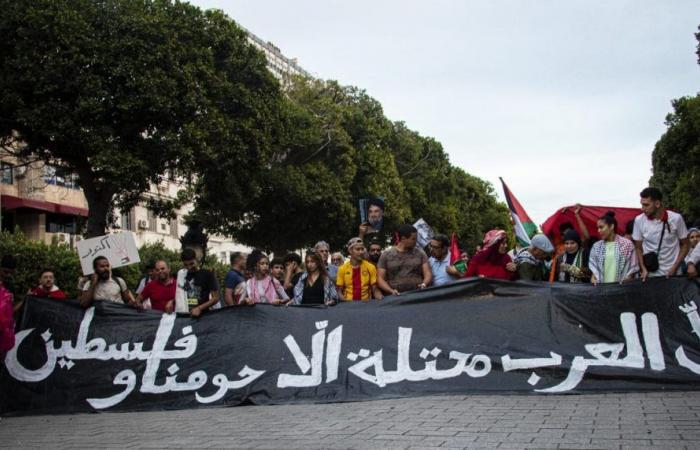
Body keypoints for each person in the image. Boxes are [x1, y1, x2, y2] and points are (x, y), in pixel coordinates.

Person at [632, 187, 689, 281]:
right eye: (642, 205)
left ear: (657, 204)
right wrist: (643, 268)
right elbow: (638, 247)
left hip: (673, 274)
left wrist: (675, 267)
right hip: (650, 275)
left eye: (646, 205)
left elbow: (686, 244)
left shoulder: (676, 218)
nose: (642, 209)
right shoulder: (639, 220)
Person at [377, 224, 432, 295]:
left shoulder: (420, 253)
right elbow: (380, 279)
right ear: (403, 239)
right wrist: (391, 291)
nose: (416, 241)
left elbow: (428, 274)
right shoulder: (386, 255)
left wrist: (424, 284)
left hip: (417, 295)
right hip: (396, 298)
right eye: (413, 239)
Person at [589, 211, 638, 285]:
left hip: (621, 290)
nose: (598, 231)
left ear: (611, 226)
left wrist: (628, 279)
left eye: (601, 227)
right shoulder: (596, 247)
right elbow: (595, 269)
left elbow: (633, 268)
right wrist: (593, 278)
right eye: (598, 228)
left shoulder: (627, 244)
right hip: (601, 290)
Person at [175, 248, 220, 317]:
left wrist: (199, 308)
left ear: (196, 260)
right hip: (185, 316)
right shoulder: (182, 274)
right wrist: (172, 301)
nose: (189, 267)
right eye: (186, 265)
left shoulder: (207, 274)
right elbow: (181, 294)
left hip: (204, 316)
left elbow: (216, 298)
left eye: (191, 263)